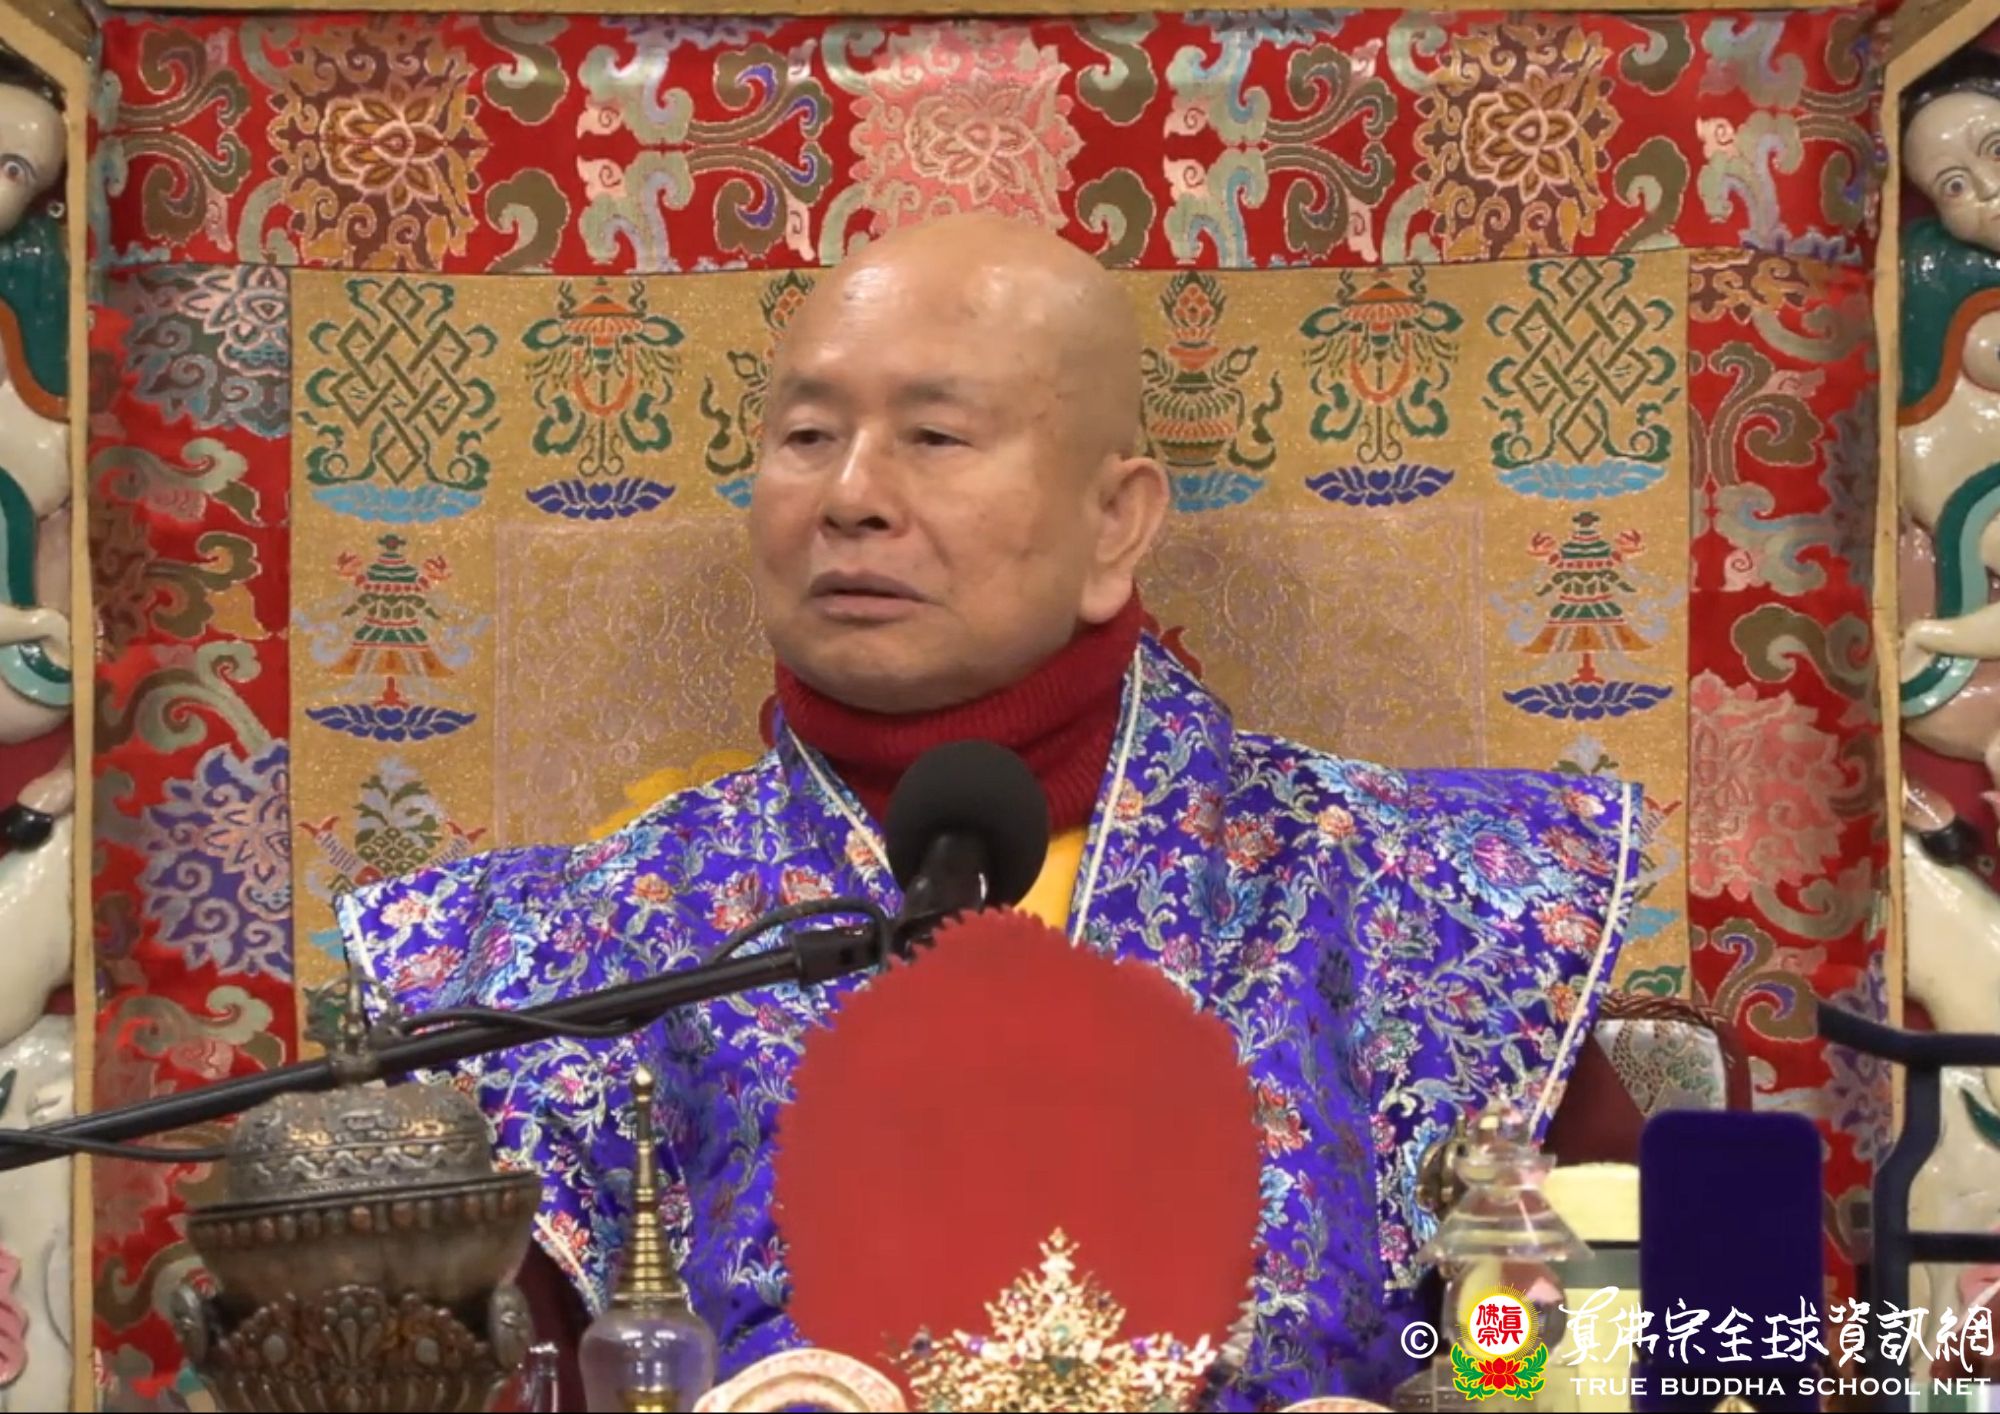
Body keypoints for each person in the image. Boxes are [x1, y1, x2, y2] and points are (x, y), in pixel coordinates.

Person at [343, 214, 1642, 1409]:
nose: (851, 495)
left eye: (935, 437)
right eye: (806, 437)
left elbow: (1618, 1359)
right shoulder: (560, 966)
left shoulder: (1421, 898)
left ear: (1115, 522)